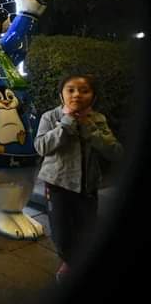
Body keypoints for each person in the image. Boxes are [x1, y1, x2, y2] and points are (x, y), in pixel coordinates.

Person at [34, 74, 123, 284]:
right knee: (61, 232)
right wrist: (65, 124)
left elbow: (115, 152)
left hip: (88, 186)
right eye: (71, 90)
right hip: (57, 184)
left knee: (87, 229)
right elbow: (41, 147)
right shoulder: (50, 117)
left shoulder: (98, 119)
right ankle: (69, 262)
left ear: (93, 96)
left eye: (84, 91)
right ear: (61, 95)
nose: (77, 95)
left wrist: (90, 128)